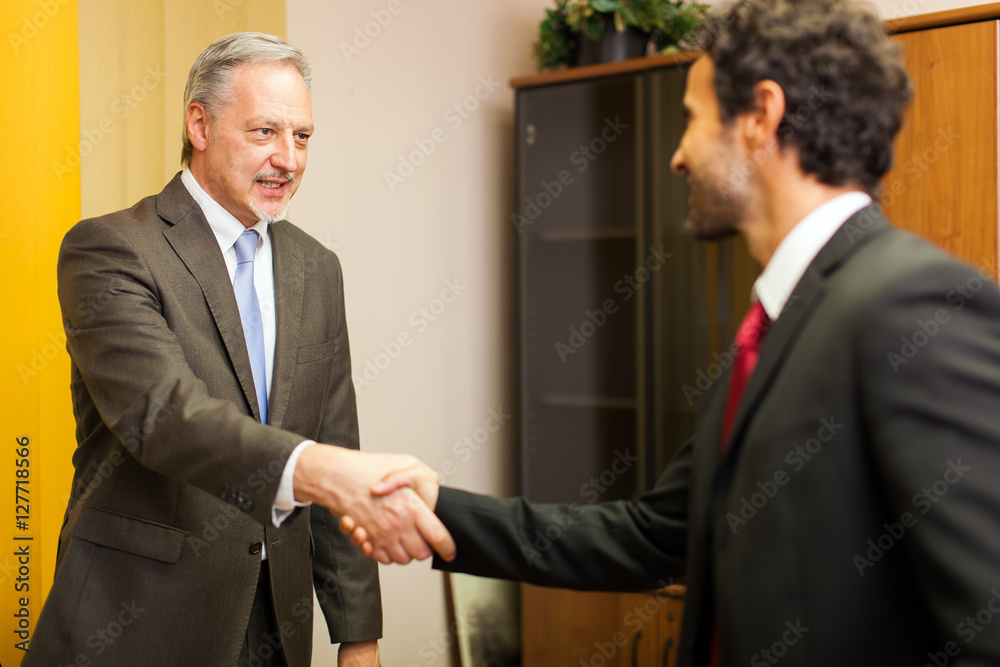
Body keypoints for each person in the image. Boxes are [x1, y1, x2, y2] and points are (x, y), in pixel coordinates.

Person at [343, 1, 1000, 665]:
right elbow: (650, 534)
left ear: (760, 118)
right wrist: (436, 510)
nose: (678, 156)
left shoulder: (912, 304)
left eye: (691, 119)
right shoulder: (769, 330)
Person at [29, 33, 451, 666]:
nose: (289, 158)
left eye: (303, 137)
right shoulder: (110, 250)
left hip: (277, 629)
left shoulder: (317, 268)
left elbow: (337, 439)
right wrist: (323, 472)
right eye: (265, 132)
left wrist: (358, 635)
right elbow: (165, 417)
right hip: (133, 623)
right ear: (199, 124)